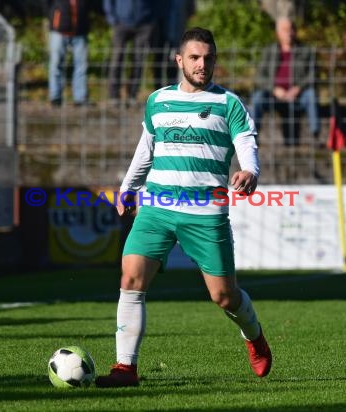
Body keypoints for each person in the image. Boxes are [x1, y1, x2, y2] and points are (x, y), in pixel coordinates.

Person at [94, 27, 272, 388]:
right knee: (130, 279)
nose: (201, 64)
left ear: (215, 61)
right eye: (194, 57)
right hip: (157, 206)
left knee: (224, 297)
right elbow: (146, 149)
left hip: (206, 214)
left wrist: (250, 170)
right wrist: (129, 188)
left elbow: (246, 144)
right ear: (180, 60)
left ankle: (254, 336)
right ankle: (125, 369)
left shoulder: (228, 104)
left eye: (207, 58)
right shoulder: (158, 100)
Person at [251, 17, 319, 146]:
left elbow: (313, 74)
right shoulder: (269, 52)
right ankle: (253, 137)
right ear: (278, 33)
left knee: (311, 95)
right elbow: (260, 76)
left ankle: (315, 135)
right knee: (258, 97)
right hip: (274, 96)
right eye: (285, 30)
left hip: (299, 95)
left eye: (291, 29)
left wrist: (298, 88)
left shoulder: (306, 51)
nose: (289, 32)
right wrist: (274, 89)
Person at [103, 0, 159, 105]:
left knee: (138, 61)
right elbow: (108, 3)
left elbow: (156, 4)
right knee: (117, 59)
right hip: (120, 24)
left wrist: (151, 21)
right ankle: (114, 96)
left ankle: (132, 95)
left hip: (143, 25)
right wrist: (112, 19)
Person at [47, 0, 91, 107]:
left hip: (80, 30)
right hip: (59, 30)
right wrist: (53, 16)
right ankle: (55, 97)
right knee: (56, 64)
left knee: (82, 65)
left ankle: (80, 98)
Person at [152, 0, 196, 90]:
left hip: (177, 32)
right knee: (158, 61)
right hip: (159, 32)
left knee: (173, 61)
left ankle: (172, 89)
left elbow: (190, 10)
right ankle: (158, 89)